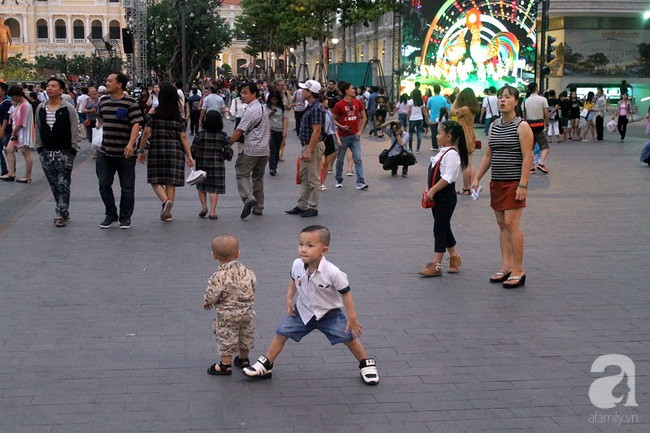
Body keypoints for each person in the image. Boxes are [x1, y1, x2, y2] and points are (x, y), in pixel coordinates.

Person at [243, 225, 379, 385]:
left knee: (349, 338)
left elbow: (346, 293)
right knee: (281, 334)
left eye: (310, 245)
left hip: (329, 314)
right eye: (301, 244)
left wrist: (352, 317)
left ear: (324, 250)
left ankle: (365, 364)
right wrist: (289, 297)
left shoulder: (333, 272)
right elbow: (294, 280)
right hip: (303, 311)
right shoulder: (297, 264)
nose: (303, 249)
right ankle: (266, 364)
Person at [471, 86, 533, 289]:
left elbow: (527, 157)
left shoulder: (522, 126)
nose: (502, 100)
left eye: (507, 97)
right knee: (502, 224)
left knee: (511, 223)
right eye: (500, 97)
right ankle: (506, 265)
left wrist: (523, 184)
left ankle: (518, 268)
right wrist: (477, 177)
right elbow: (488, 155)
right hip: (497, 181)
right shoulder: (495, 125)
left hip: (514, 181)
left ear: (516, 101)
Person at [137, 83, 194, 222]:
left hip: (157, 149)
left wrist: (141, 150)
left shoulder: (154, 114)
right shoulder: (180, 117)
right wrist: (190, 155)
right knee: (171, 182)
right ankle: (168, 213)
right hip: (175, 151)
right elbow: (183, 137)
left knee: (155, 180)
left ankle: (165, 202)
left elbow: (146, 133)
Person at [419, 120, 469, 277]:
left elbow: (448, 177)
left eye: (439, 133)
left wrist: (432, 190)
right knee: (444, 227)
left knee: (439, 229)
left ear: (448, 137)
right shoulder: (444, 152)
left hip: (445, 197)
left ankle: (437, 265)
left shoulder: (452, 155)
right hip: (438, 196)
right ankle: (455, 257)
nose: (437, 135)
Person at [95, 73, 144, 229]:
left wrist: (131, 144)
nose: (107, 83)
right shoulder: (103, 102)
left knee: (127, 187)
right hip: (105, 152)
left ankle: (125, 217)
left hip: (125, 153)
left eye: (110, 81)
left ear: (119, 84)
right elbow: (100, 118)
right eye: (107, 80)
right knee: (104, 184)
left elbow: (137, 123)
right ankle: (110, 214)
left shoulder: (130, 102)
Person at [203, 235, 256, 376]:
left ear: (213, 255)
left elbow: (212, 294)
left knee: (226, 337)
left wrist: (208, 301)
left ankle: (225, 365)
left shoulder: (218, 276)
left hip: (227, 314)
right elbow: (253, 285)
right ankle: (244, 360)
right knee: (245, 335)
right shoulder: (247, 271)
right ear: (238, 253)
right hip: (246, 312)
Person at [34, 77, 80, 227]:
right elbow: (38, 127)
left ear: (61, 90)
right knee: (54, 184)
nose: (49, 89)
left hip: (65, 151)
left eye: (53, 86)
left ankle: (60, 213)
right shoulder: (41, 108)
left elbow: (75, 127)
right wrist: (39, 148)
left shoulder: (68, 108)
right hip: (46, 152)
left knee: (63, 183)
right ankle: (63, 208)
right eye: (48, 86)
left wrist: (74, 148)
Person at [285, 80, 327, 218]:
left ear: (310, 92)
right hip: (307, 145)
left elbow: (317, 131)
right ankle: (302, 205)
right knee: (304, 176)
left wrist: (309, 149)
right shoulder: (311, 106)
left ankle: (313, 206)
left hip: (312, 146)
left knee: (313, 178)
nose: (301, 92)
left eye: (304, 90)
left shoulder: (316, 108)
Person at [229, 82, 270, 219]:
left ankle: (248, 198)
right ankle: (259, 206)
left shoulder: (251, 111)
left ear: (254, 94)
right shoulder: (263, 108)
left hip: (251, 148)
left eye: (246, 93)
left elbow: (239, 130)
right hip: (264, 149)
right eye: (242, 92)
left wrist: (227, 144)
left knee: (241, 172)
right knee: (258, 177)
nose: (243, 95)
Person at [191, 111, 231, 219]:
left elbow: (193, 149)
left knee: (201, 185)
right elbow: (228, 150)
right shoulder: (222, 135)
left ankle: (204, 207)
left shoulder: (200, 134)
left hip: (202, 163)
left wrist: (193, 156)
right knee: (214, 189)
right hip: (217, 164)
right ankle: (213, 211)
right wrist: (226, 156)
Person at [332, 81, 368, 191]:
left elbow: (364, 117)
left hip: (355, 136)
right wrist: (341, 127)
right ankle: (338, 179)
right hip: (343, 136)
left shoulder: (358, 102)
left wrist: (359, 131)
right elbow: (333, 119)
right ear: (346, 91)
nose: (354, 90)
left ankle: (360, 181)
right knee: (340, 159)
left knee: (357, 158)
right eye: (352, 88)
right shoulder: (339, 105)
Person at [1, 85, 34, 183]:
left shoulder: (25, 105)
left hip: (22, 132)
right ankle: (11, 172)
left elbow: (21, 122)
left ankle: (27, 175)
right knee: (9, 149)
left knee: (26, 153)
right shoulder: (20, 104)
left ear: (16, 95)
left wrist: (14, 131)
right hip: (17, 132)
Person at [450, 88, 479, 193]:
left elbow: (451, 111)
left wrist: (456, 99)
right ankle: (472, 187)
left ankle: (466, 187)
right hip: (470, 134)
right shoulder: (472, 108)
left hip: (463, 135)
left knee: (465, 164)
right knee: (470, 163)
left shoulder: (465, 109)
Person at [522, 83, 550, 174]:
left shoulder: (526, 101)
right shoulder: (543, 99)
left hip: (530, 126)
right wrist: (547, 123)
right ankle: (541, 163)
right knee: (544, 147)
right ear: (537, 89)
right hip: (541, 126)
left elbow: (524, 116)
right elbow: (546, 114)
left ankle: (531, 167)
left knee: (530, 148)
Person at [266, 90, 288, 176]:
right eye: (272, 99)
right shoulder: (266, 107)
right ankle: (272, 167)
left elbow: (285, 119)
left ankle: (275, 165)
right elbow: (262, 116)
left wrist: (285, 130)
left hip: (279, 130)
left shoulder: (282, 108)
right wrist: (270, 113)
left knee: (277, 149)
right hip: (270, 130)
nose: (274, 101)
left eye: (276, 99)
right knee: (272, 149)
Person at [425, 84, 450, 150]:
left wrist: (427, 118)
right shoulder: (443, 99)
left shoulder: (430, 99)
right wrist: (448, 117)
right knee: (442, 132)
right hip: (442, 118)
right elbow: (446, 109)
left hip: (432, 118)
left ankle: (435, 146)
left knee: (434, 133)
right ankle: (442, 145)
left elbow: (427, 109)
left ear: (433, 90)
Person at [0, 82, 11, 176]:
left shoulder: (7, 103)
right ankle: (4, 169)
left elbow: (6, 118)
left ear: (3, 91)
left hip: (5, 130)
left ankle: (11, 171)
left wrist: (2, 130)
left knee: (8, 151)